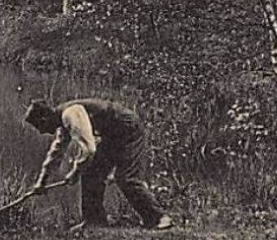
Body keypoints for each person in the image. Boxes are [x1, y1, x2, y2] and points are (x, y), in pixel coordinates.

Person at [22, 96, 173, 230]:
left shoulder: (70, 114)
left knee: (126, 178)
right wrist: (41, 183)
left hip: (128, 130)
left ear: (44, 119)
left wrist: (74, 172)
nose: (41, 132)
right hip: (113, 135)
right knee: (91, 172)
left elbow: (89, 149)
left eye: (39, 127)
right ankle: (95, 220)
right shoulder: (62, 122)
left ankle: (159, 218)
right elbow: (55, 154)